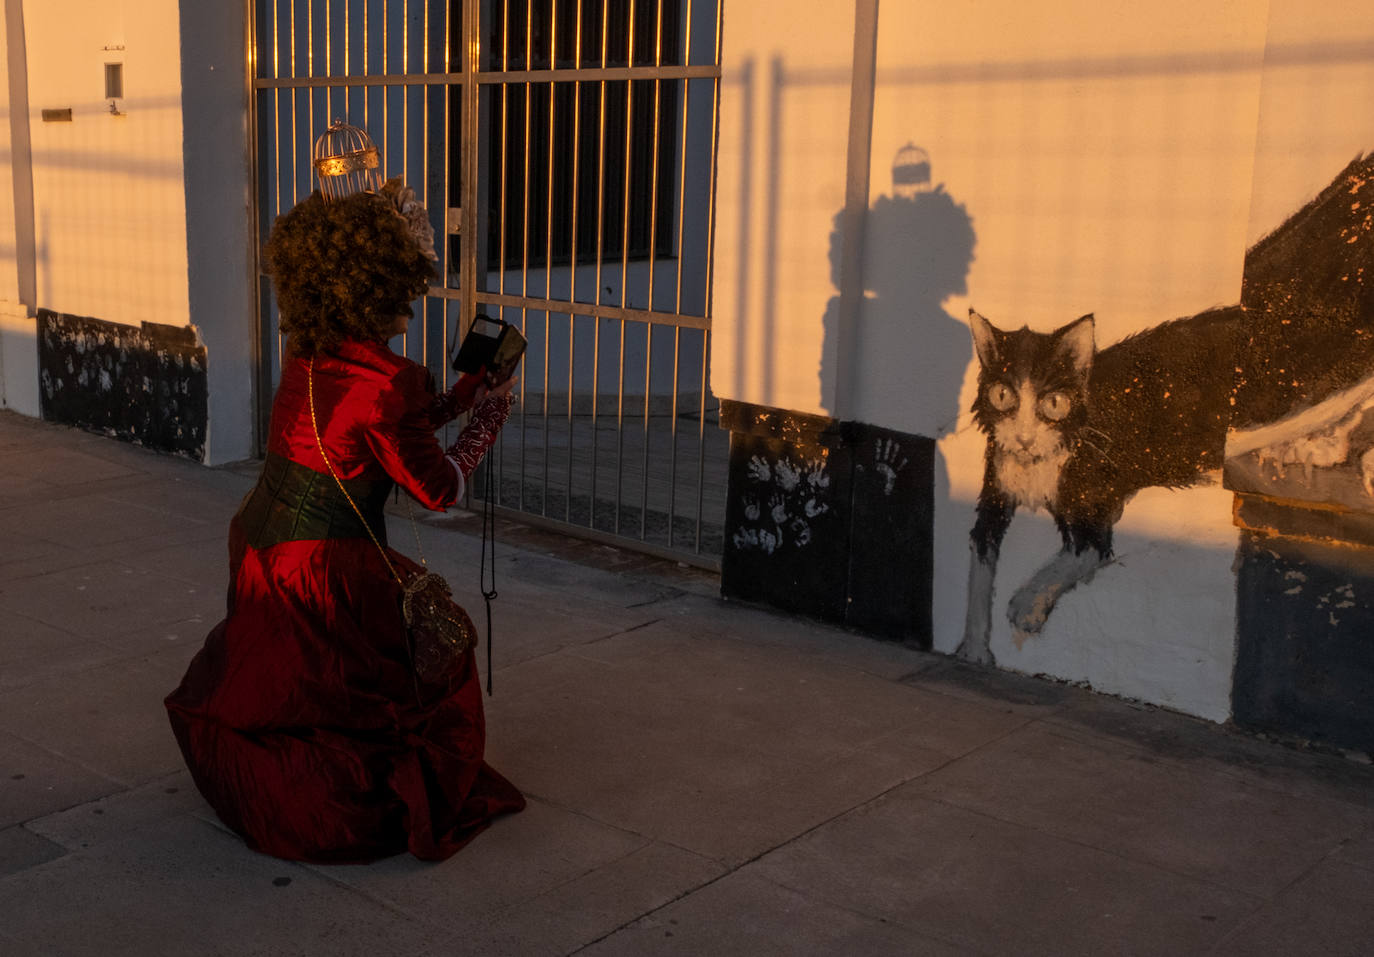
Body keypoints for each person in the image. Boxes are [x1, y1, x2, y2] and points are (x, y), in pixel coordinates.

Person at [164, 180, 525, 864]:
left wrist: (461, 395)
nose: (411, 304)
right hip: (323, 566)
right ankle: (354, 804)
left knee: (295, 687)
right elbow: (437, 487)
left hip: (260, 543)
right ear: (377, 286)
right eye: (404, 285)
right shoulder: (388, 378)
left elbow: (382, 433)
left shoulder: (311, 354)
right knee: (422, 654)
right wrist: (490, 419)